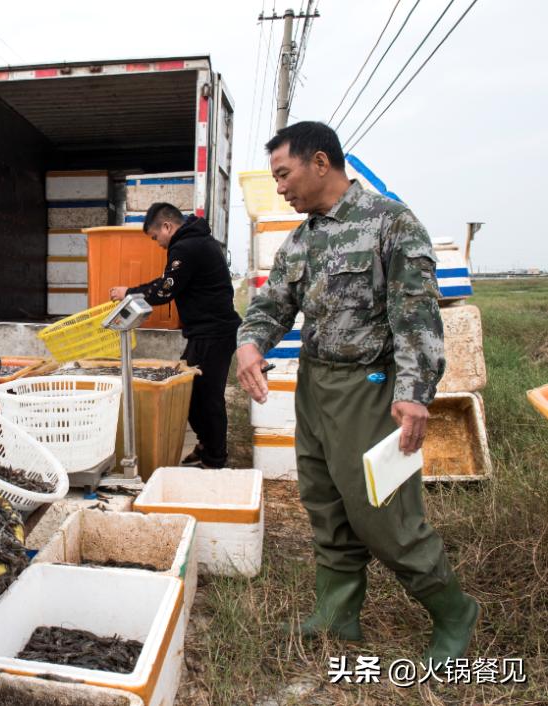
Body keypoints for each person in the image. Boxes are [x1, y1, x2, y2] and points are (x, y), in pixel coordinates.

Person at [235, 121, 477, 663]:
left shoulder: (390, 223)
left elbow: (416, 316)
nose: (279, 187)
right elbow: (273, 305)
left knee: (383, 513)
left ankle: (453, 610)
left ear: (320, 162)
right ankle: (338, 614)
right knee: (325, 504)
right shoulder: (302, 238)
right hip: (315, 387)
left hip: (371, 387)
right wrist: (251, 343)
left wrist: (414, 392)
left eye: (283, 174)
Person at [110, 204, 242, 468]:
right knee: (190, 392)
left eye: (155, 237)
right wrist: (135, 291)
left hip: (213, 333)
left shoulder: (186, 247)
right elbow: (166, 282)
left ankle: (215, 459)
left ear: (167, 227)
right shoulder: (194, 242)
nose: (157, 243)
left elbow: (164, 291)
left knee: (207, 396)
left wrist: (129, 292)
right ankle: (206, 446)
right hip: (205, 333)